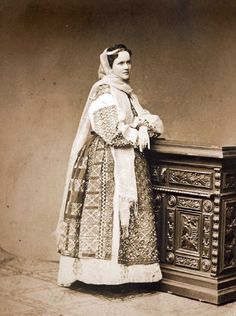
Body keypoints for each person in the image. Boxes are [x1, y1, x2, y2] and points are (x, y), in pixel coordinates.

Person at [56, 44, 164, 286]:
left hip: (129, 159)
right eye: (121, 63)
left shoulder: (127, 94)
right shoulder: (103, 93)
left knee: (129, 212)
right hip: (104, 161)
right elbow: (112, 132)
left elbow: (144, 118)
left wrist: (145, 126)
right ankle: (101, 275)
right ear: (110, 66)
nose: (126, 67)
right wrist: (138, 131)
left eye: (129, 62)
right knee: (107, 211)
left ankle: (128, 275)